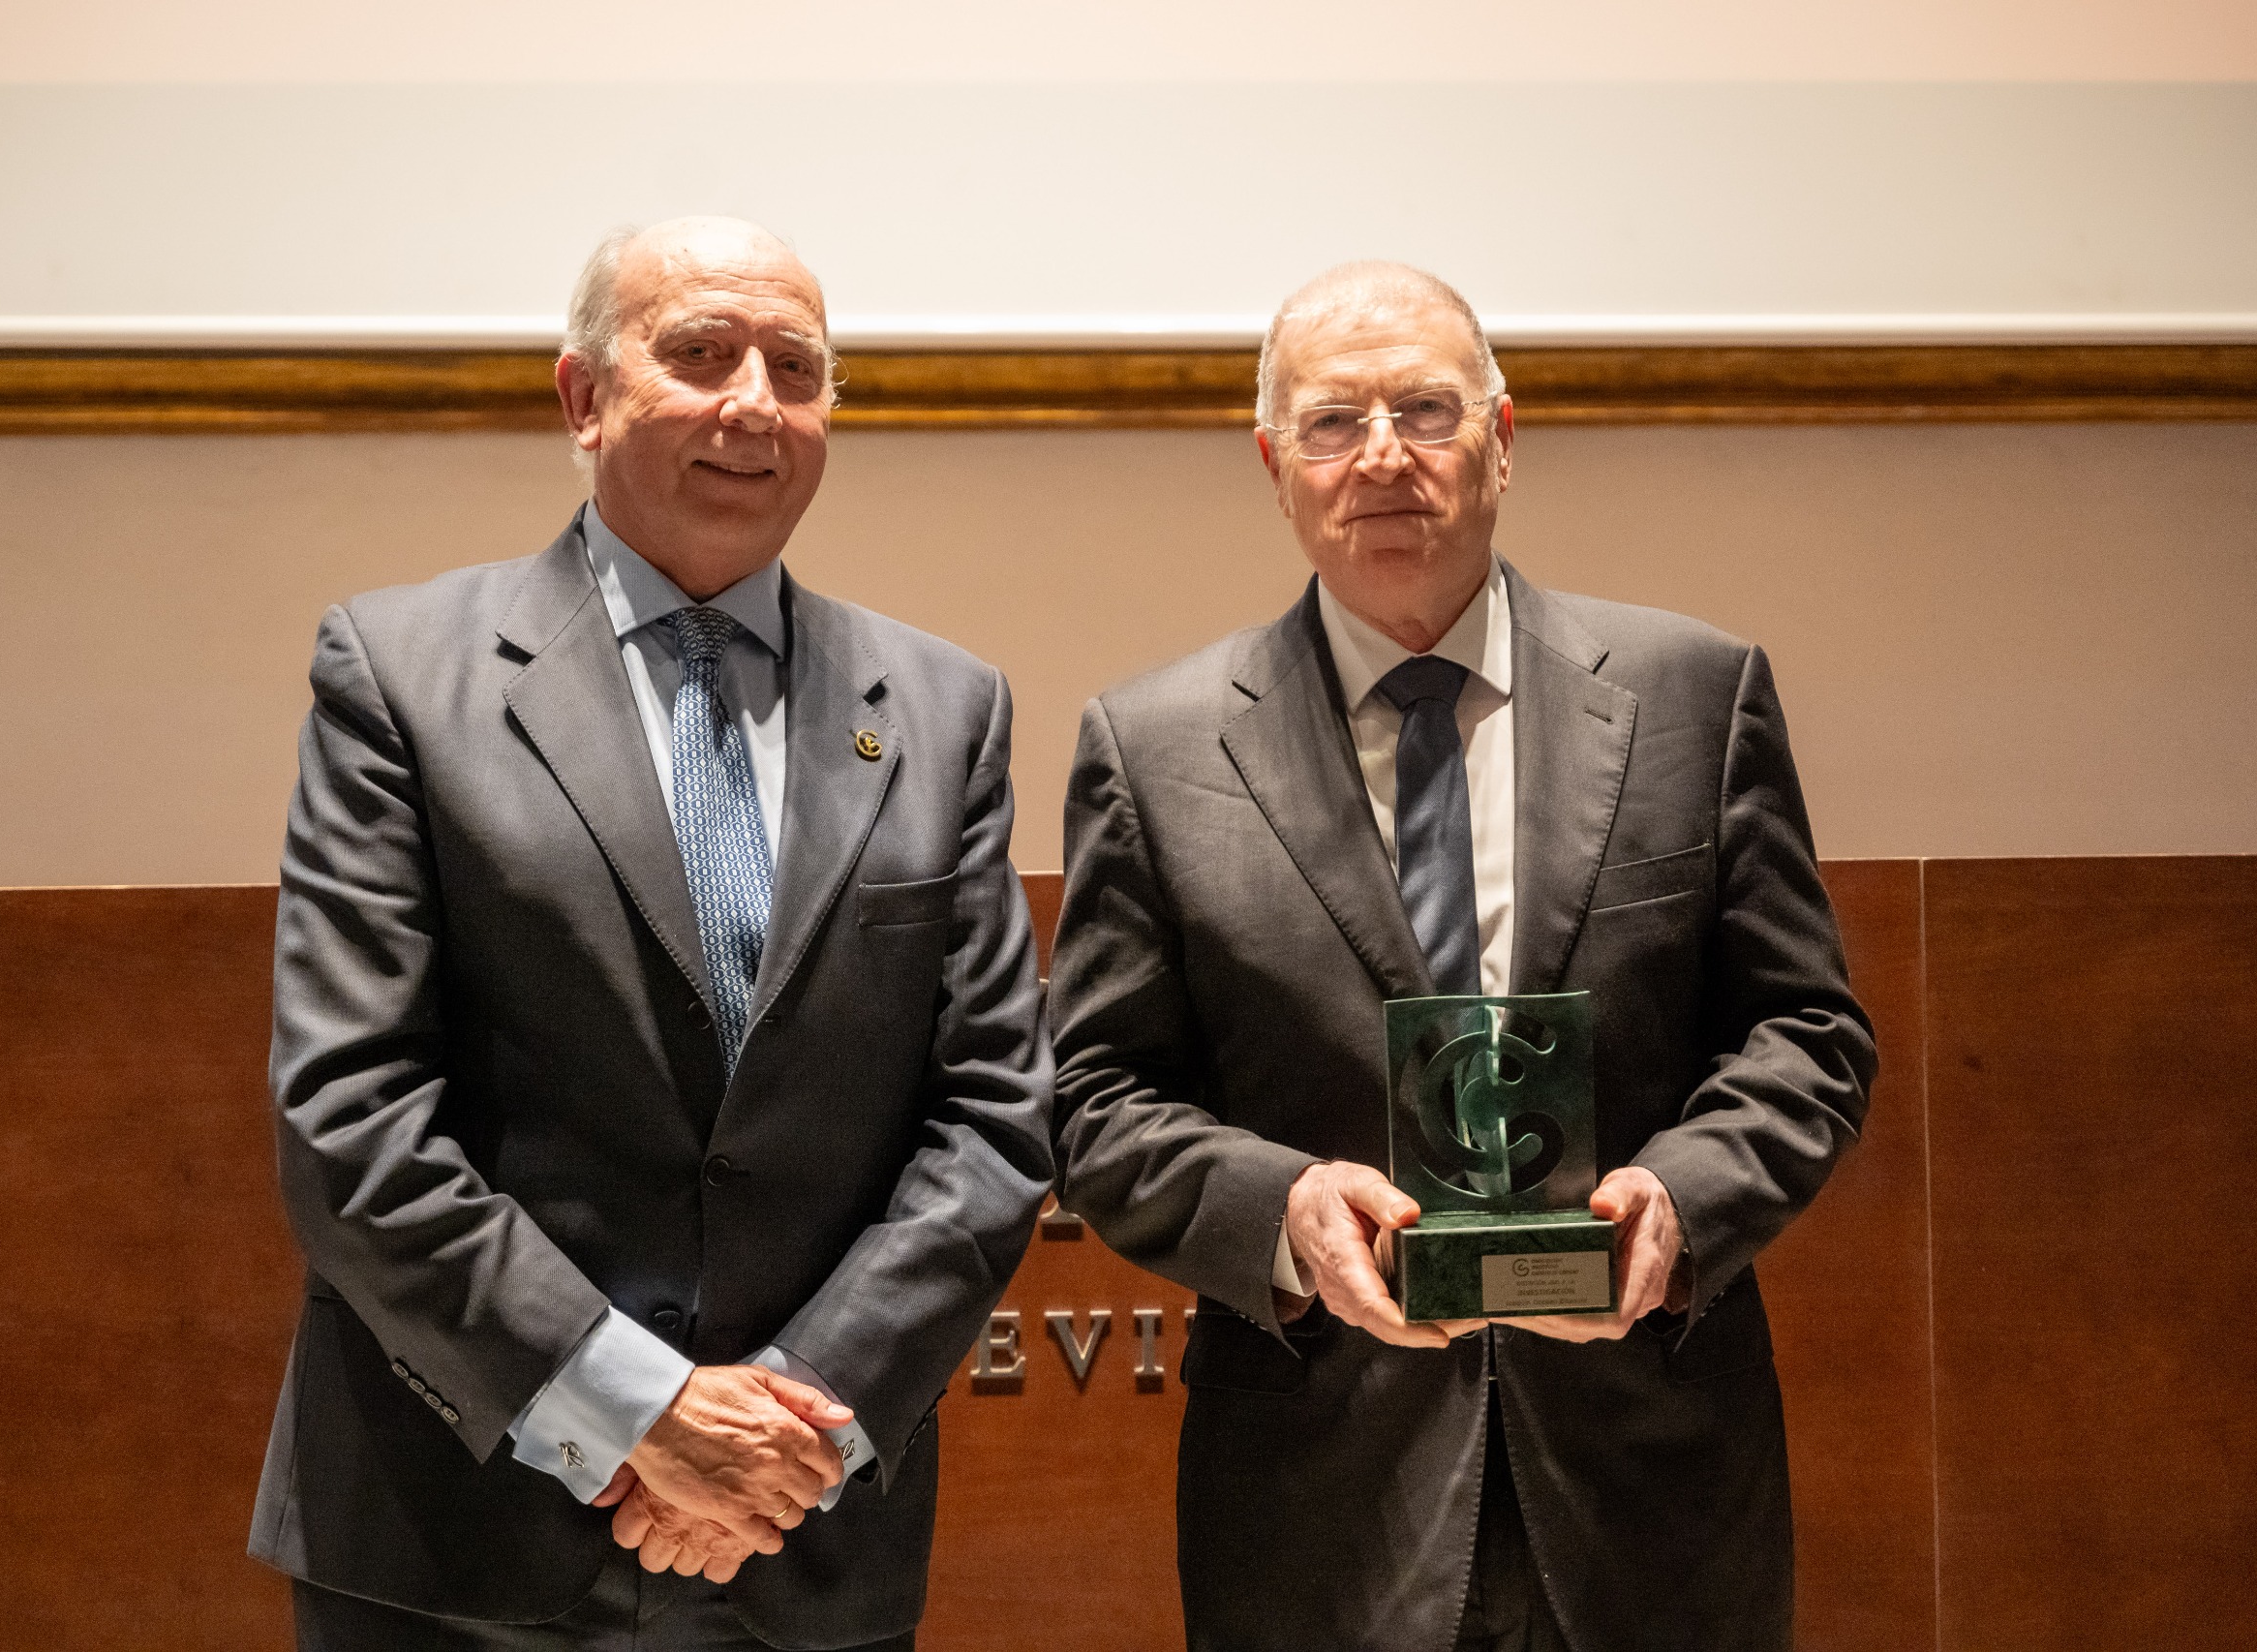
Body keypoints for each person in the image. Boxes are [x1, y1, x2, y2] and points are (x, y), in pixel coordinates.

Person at [249, 216, 1053, 1652]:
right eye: (700, 353)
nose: (756, 402)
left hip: (802, 1539)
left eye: (796, 367)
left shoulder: (945, 709)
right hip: (457, 1546)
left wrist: (786, 1427)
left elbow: (993, 1118)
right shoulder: (399, 674)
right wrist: (636, 1408)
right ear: (584, 397)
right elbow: (350, 1118)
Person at [1049, 261, 1875, 1652]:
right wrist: (1284, 1211)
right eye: (1333, 421)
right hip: (1324, 1499)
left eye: (1426, 409)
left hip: (1649, 1485)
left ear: (1502, 437)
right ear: (1276, 466)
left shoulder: (1692, 694)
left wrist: (1683, 1203)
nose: (1383, 455)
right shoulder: (1155, 749)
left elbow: (1808, 1035)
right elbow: (1093, 1099)